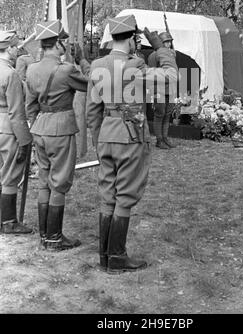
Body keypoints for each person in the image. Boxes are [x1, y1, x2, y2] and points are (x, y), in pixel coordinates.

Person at [86, 14, 178, 274]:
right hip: (130, 136)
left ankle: (105, 257)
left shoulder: (97, 65)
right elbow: (172, 77)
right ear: (132, 39)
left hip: (106, 134)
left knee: (108, 194)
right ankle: (117, 257)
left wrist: (99, 139)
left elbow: (92, 110)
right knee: (124, 196)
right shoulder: (135, 65)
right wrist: (161, 48)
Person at [25, 20, 88, 251]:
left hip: (40, 128)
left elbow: (30, 104)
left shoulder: (31, 69)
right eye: (65, 41)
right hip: (61, 128)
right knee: (59, 182)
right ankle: (54, 238)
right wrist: (81, 60)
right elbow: (89, 84)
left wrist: (35, 124)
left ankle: (44, 236)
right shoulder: (66, 70)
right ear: (59, 43)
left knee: (44, 180)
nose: (67, 45)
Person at [0, 30, 33, 234]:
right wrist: (24, 139)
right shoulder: (10, 73)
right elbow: (16, 110)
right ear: (9, 48)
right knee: (11, 174)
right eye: (15, 47)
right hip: (8, 127)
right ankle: (9, 221)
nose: (17, 50)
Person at [147, 31, 177, 149]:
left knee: (168, 114)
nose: (168, 44)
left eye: (169, 41)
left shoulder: (172, 54)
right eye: (166, 42)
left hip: (170, 89)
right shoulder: (153, 56)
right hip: (158, 88)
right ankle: (159, 140)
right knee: (159, 114)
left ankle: (165, 138)